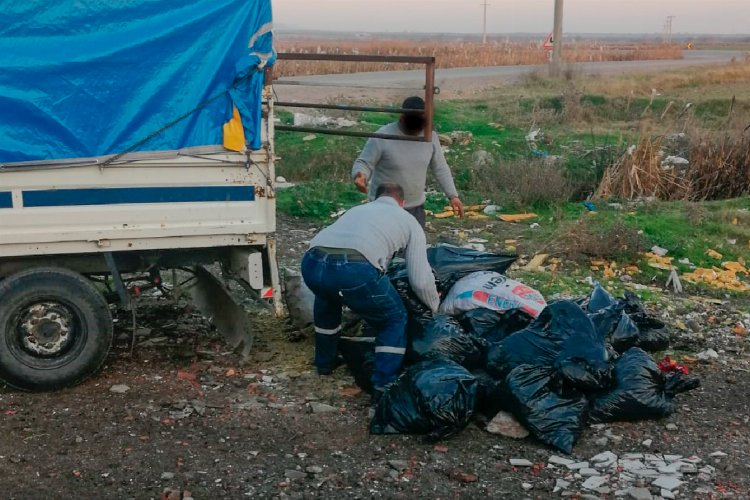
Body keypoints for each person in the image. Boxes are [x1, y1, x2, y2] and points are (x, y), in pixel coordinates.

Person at [301, 183, 440, 399]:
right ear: (401, 203)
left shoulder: (357, 210)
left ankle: (324, 363)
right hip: (353, 268)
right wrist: (435, 307)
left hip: (312, 263)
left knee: (327, 299)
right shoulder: (408, 221)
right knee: (394, 318)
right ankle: (383, 384)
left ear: (374, 198)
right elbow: (421, 280)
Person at [352, 96, 464, 228]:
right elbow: (364, 162)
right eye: (413, 123)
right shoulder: (383, 136)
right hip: (383, 208)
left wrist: (453, 196)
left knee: (414, 247)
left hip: (415, 209)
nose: (416, 129)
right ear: (402, 117)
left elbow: (440, 168)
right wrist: (360, 175)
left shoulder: (430, 137)